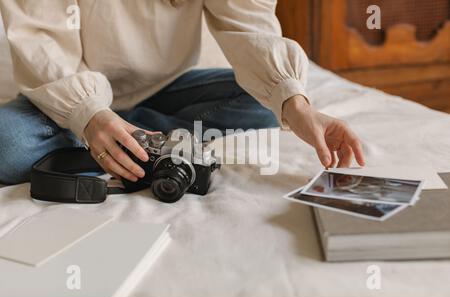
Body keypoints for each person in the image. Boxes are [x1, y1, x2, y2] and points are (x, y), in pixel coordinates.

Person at [0, 0, 365, 185]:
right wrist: (89, 115)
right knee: (7, 144)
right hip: (71, 99)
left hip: (161, 90)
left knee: (266, 106)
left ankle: (130, 137)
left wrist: (297, 106)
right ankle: (113, 136)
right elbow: (41, 36)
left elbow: (248, 24)